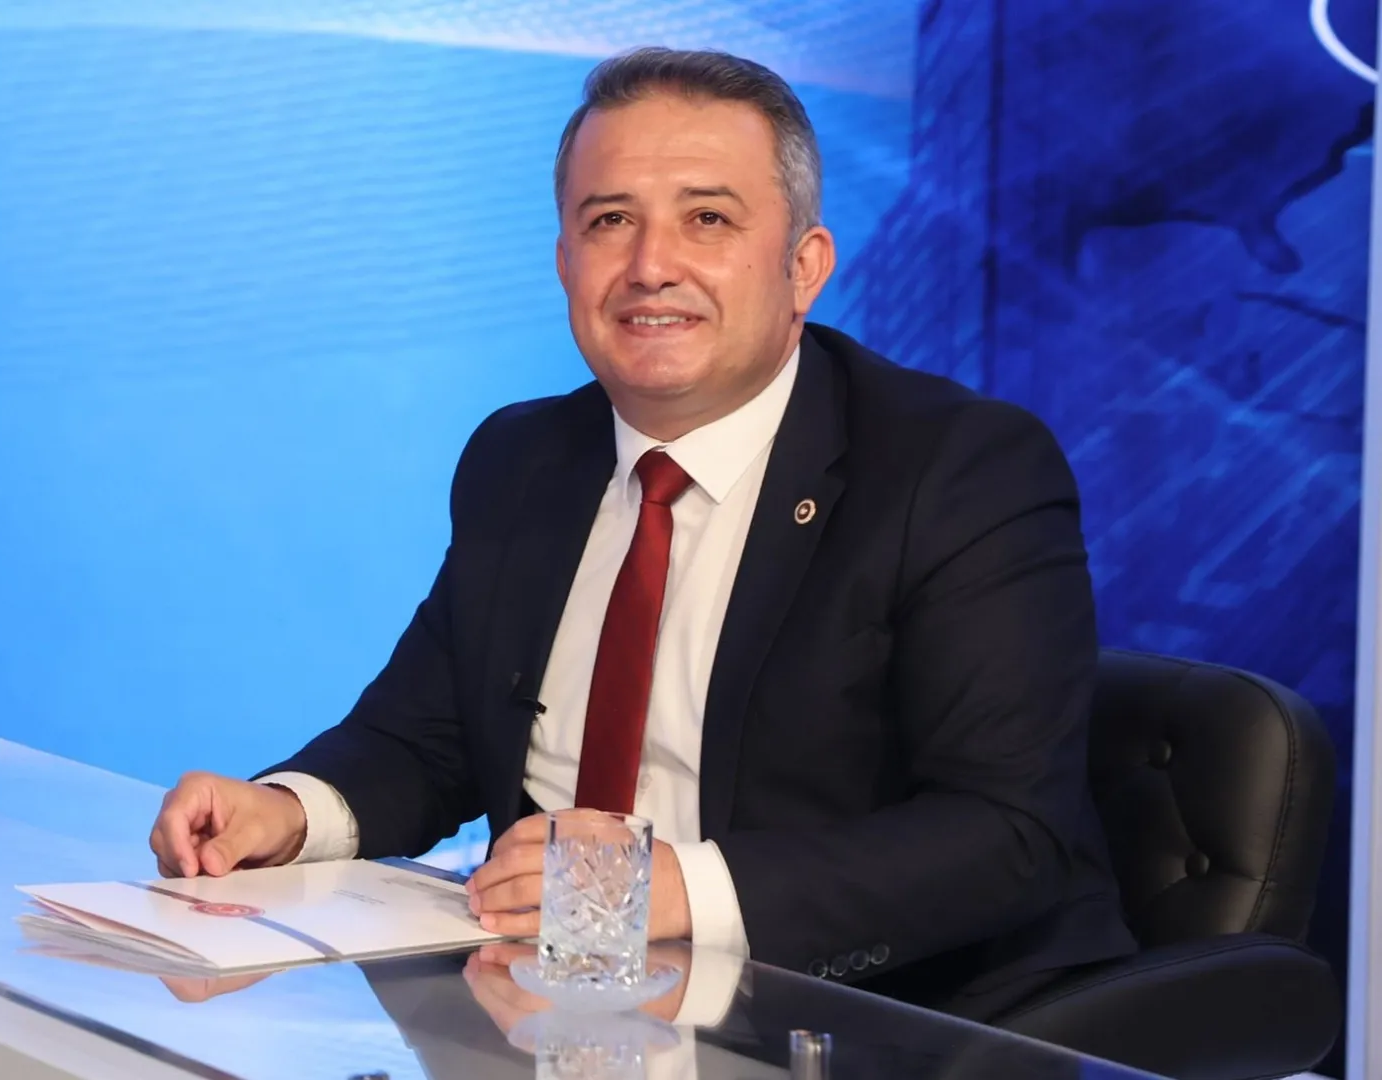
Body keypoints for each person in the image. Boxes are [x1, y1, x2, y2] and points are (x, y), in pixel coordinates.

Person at [148, 46, 1137, 1021]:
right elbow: (425, 736)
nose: (651, 267)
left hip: (886, 1022)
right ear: (565, 263)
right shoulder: (521, 458)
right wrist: (293, 811)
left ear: (804, 267)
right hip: (555, 1016)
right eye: (610, 221)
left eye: (708, 219)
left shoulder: (958, 469)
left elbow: (1009, 834)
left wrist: (675, 891)